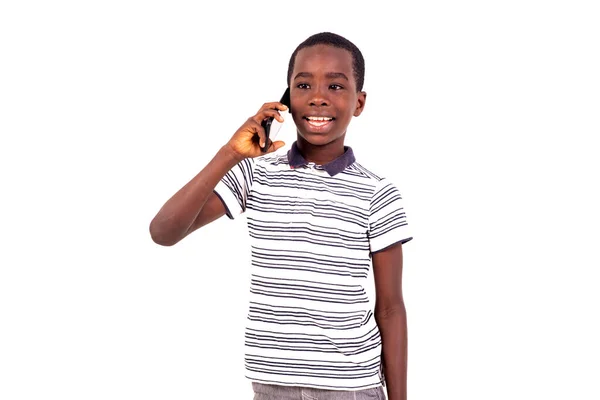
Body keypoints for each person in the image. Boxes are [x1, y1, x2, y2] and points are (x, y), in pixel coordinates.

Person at [149, 32, 413, 400]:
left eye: (336, 86)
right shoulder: (255, 174)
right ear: (286, 99)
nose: (318, 96)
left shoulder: (377, 192)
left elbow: (390, 308)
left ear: (359, 102)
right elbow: (163, 231)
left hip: (350, 388)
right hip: (271, 387)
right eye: (304, 84)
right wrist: (229, 154)